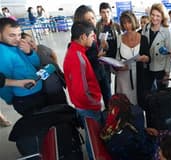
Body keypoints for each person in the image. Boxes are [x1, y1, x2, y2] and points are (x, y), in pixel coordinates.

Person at [63, 21, 103, 160]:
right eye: (92, 36)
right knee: (94, 140)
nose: (94, 39)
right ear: (82, 37)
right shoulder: (77, 57)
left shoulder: (75, 51)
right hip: (88, 107)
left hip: (84, 105)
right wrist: (95, 103)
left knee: (91, 136)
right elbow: (82, 92)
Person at [0, 18, 46, 116]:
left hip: (37, 91)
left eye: (19, 34)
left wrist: (29, 52)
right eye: (12, 35)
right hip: (26, 98)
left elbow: (36, 63)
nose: (17, 39)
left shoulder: (17, 45)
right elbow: (3, 85)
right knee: (36, 124)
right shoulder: (3, 54)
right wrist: (10, 99)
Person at [73, 5, 110, 108]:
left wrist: (105, 47)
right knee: (95, 103)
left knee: (108, 98)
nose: (92, 22)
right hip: (91, 77)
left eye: (93, 18)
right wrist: (96, 56)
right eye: (88, 20)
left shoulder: (95, 31)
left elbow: (99, 48)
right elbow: (80, 59)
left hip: (101, 71)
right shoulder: (79, 38)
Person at [115, 10, 150, 106]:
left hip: (138, 78)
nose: (127, 25)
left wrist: (144, 58)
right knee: (124, 106)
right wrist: (117, 67)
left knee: (138, 105)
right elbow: (114, 60)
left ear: (134, 21)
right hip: (122, 78)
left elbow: (148, 58)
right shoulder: (118, 39)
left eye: (129, 22)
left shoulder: (143, 39)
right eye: (124, 23)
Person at [21, 32, 67, 105]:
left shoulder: (41, 48)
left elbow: (52, 53)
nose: (32, 45)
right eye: (28, 44)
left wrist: (55, 65)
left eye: (31, 41)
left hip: (58, 87)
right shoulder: (24, 59)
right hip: (45, 93)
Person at [141, 3, 171, 90]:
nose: (154, 18)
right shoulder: (146, 27)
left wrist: (167, 72)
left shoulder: (166, 31)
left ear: (162, 17)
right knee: (147, 93)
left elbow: (169, 53)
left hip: (160, 68)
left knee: (161, 94)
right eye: (153, 15)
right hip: (147, 66)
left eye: (158, 16)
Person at [96, 2, 121, 97]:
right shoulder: (97, 26)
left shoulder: (116, 26)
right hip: (104, 58)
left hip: (115, 57)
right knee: (106, 82)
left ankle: (118, 100)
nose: (106, 15)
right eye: (103, 12)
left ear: (111, 12)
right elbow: (95, 42)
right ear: (100, 13)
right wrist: (101, 47)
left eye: (107, 12)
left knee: (119, 80)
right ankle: (109, 103)